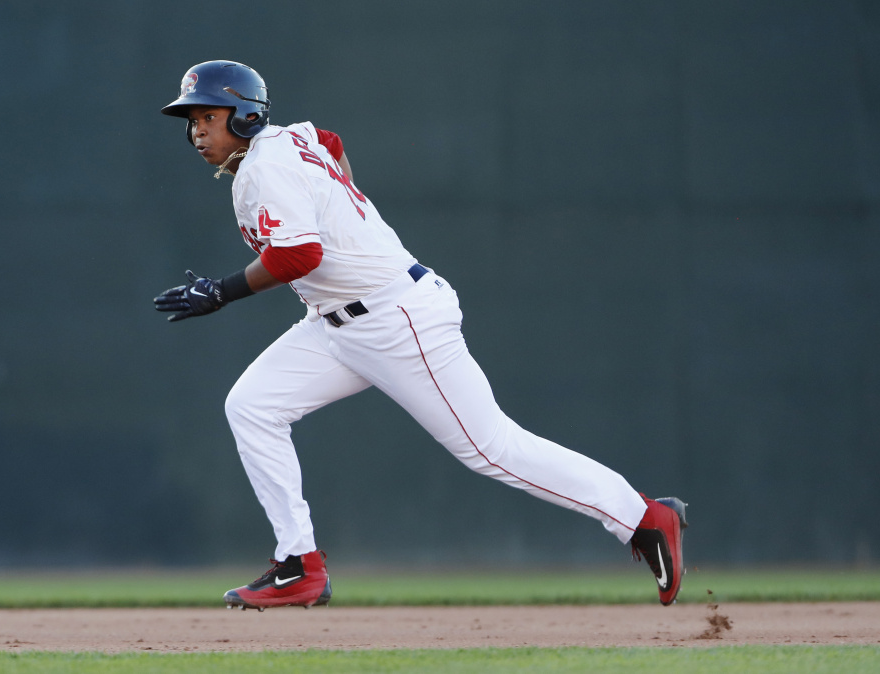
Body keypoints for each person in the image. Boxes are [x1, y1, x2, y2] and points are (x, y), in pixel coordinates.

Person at [154, 60, 688, 611]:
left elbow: (299, 254)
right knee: (252, 406)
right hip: (336, 322)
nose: (196, 130)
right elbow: (331, 143)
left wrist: (220, 291)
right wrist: (349, 213)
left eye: (208, 116)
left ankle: (644, 518)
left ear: (243, 115)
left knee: (492, 449)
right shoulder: (291, 141)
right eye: (190, 120)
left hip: (395, 318)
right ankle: (298, 566)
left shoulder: (265, 168)